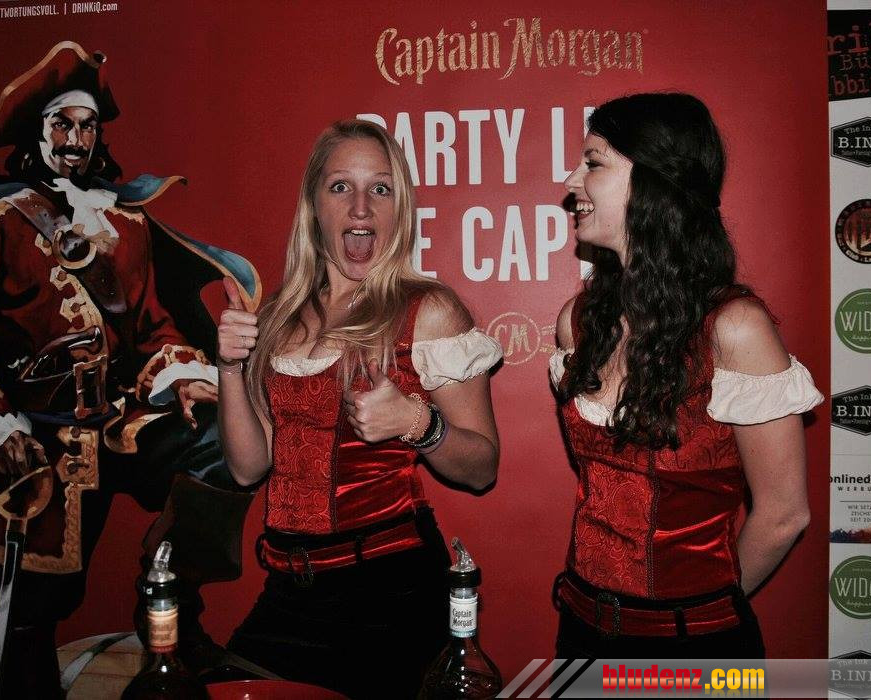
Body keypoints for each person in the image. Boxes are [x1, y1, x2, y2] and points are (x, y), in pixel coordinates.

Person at [0, 41, 261, 696]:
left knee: (221, 446)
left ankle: (171, 598)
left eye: (88, 125)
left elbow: (153, 328)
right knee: (32, 607)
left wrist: (183, 373)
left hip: (120, 419)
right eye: (63, 123)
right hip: (40, 434)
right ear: (36, 130)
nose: (76, 139)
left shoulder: (125, 222)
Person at [216, 119, 502, 698]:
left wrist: (416, 422)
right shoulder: (276, 317)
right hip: (287, 591)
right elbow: (248, 468)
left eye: (381, 188)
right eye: (341, 186)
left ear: (400, 209)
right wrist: (227, 366)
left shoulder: (429, 310)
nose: (361, 207)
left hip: (390, 591)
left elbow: (482, 467)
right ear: (313, 206)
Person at [549, 93, 823, 658]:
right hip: (579, 629)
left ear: (655, 183)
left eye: (593, 162)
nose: (572, 182)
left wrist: (697, 615)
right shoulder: (577, 322)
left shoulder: (734, 328)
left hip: (696, 644)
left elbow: (783, 514)